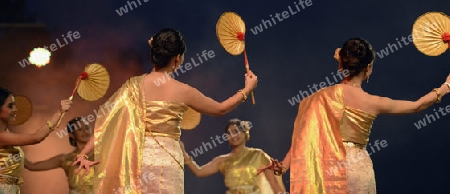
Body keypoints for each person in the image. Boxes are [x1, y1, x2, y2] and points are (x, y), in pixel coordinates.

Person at [72, 28, 258, 194]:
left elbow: (106, 124)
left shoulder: (133, 86)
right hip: (168, 161)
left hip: (138, 160)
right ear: (177, 58)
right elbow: (220, 109)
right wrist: (247, 89)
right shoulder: (183, 90)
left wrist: (83, 154)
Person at [268, 38, 450, 194]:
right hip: (358, 168)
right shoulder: (374, 102)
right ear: (368, 68)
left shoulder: (319, 97)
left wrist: (283, 166)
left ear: (341, 64)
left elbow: (304, 137)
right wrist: (446, 86)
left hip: (328, 167)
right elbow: (417, 105)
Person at [181, 118, 286, 194]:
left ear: (245, 133)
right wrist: (184, 153)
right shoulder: (222, 160)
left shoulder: (258, 155)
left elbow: (273, 184)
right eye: (229, 133)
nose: (233, 136)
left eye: (236, 131)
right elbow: (198, 172)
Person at [0, 87, 72, 194]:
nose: (15, 109)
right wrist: (59, 112)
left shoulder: (7, 134)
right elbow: (36, 137)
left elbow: (30, 165)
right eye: (10, 106)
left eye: (15, 105)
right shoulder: (2, 137)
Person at [25, 117, 95, 194]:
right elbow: (31, 166)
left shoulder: (102, 153)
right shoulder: (66, 159)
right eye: (80, 129)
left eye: (87, 128)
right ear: (72, 135)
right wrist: (14, 147)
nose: (85, 132)